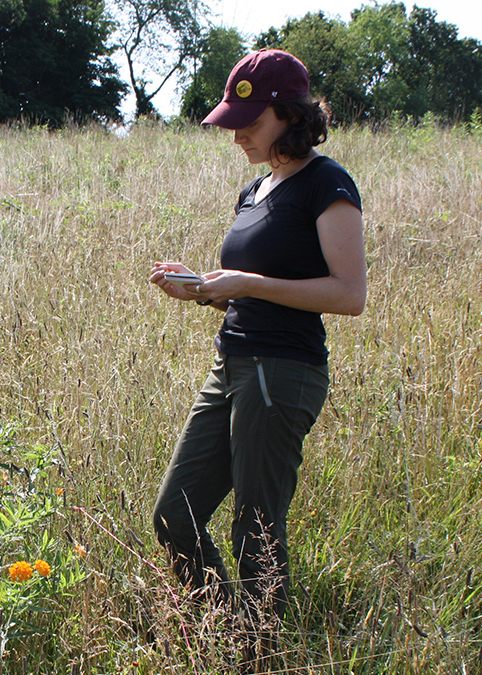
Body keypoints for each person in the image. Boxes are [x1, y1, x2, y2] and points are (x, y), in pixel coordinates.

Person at [148, 49, 367, 625]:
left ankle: (259, 653)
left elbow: (349, 295)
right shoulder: (256, 189)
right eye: (230, 123)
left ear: (290, 116)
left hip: (282, 372)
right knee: (174, 516)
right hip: (233, 362)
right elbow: (257, 287)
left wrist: (248, 281)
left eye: (248, 123)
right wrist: (202, 289)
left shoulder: (327, 183)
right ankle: (222, 626)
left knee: (257, 528)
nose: (236, 136)